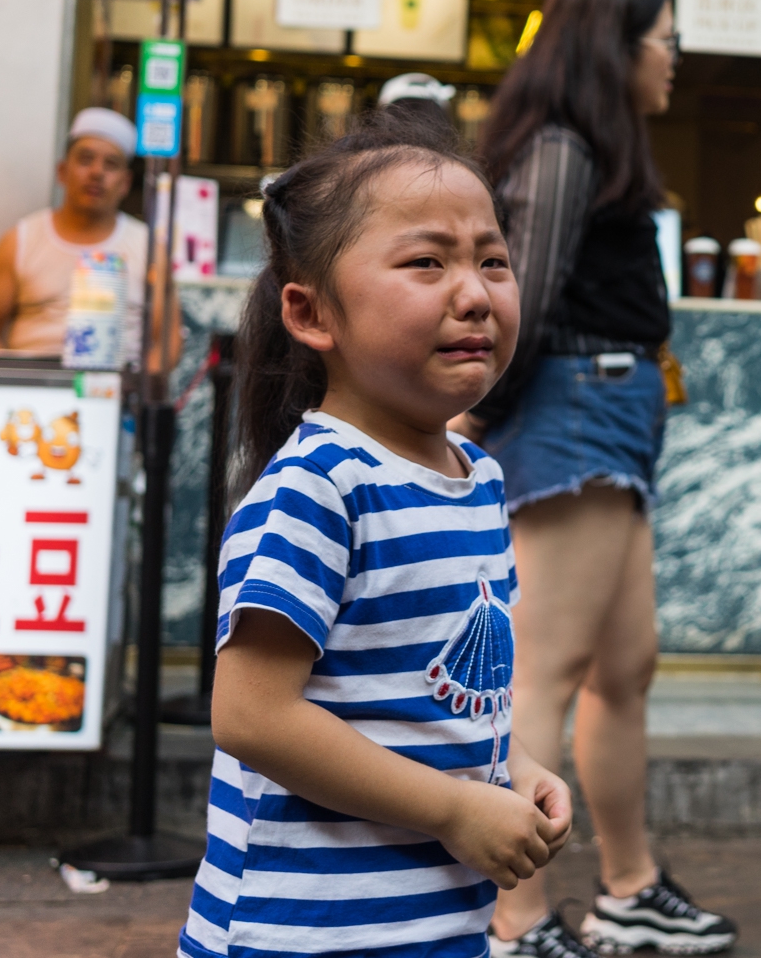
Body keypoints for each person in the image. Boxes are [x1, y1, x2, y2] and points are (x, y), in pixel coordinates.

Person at [179, 111, 573, 958]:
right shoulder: (319, 488)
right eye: (427, 261)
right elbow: (251, 714)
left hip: (433, 925)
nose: (474, 291)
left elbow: (433, 692)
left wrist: (514, 765)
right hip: (299, 933)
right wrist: (454, 807)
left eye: (492, 259)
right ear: (311, 311)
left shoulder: (479, 476)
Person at [463, 0, 736, 958]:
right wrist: (474, 413)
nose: (672, 59)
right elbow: (515, 302)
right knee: (546, 669)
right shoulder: (564, 147)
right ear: (612, 47)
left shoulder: (581, 145)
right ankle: (512, 916)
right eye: (663, 39)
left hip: (606, 415)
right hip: (575, 412)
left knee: (623, 667)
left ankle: (626, 888)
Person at [0, 106, 147, 358]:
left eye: (111, 164)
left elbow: (167, 341)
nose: (97, 173)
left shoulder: (148, 247)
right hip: (32, 390)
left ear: (126, 182)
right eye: (85, 160)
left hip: (120, 390)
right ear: (62, 171)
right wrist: (14, 383)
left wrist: (137, 390)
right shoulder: (19, 241)